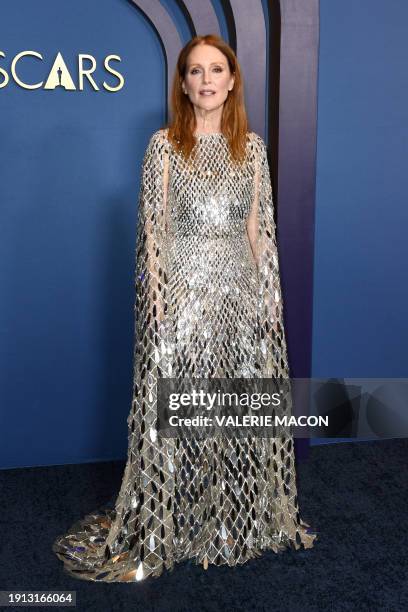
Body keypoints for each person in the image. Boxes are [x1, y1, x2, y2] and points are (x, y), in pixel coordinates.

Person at [52, 34, 317, 583]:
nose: (206, 80)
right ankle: (177, 517)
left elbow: (258, 232)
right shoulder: (165, 145)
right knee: (177, 411)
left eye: (216, 69)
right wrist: (158, 305)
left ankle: (235, 516)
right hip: (184, 296)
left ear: (232, 79)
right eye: (195, 71)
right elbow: (153, 231)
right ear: (183, 83)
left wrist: (269, 304)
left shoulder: (252, 147)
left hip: (240, 292)